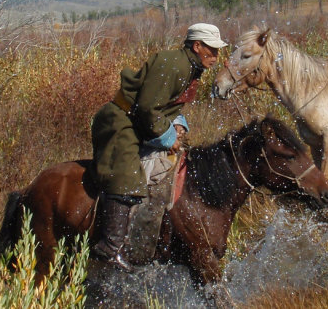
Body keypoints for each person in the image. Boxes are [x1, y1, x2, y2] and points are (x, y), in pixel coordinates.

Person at [90, 23, 228, 271]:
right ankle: (109, 250)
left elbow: (166, 107)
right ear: (197, 47)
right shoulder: (174, 64)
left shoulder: (190, 68)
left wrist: (178, 125)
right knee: (127, 177)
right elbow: (147, 109)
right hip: (120, 122)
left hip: (138, 123)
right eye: (212, 50)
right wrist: (168, 138)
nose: (216, 57)